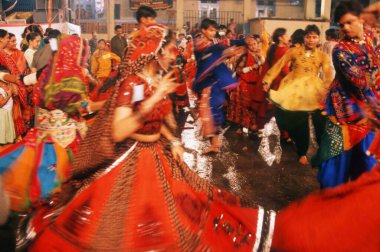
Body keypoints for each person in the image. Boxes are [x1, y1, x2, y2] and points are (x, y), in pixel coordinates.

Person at [28, 23, 260, 251]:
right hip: (132, 160)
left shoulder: (157, 79)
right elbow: (119, 130)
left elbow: (164, 117)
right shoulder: (131, 83)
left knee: (176, 216)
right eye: (169, 50)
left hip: (158, 155)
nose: (175, 54)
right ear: (154, 53)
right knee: (124, 227)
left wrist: (173, 141)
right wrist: (154, 97)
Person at [0, 36, 103, 212]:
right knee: (75, 181)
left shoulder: (47, 72)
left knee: (41, 181)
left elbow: (24, 81)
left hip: (44, 138)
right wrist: (112, 101)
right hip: (67, 139)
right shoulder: (73, 77)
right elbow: (85, 107)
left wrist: (4, 76)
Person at [313, 0, 379, 188]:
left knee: (367, 168)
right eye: (342, 25)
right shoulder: (340, 50)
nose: (346, 28)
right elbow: (362, 83)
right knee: (333, 174)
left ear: (361, 19)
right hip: (343, 114)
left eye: (350, 22)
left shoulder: (370, 38)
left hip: (369, 114)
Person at [262, 25, 334, 165]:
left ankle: (322, 151)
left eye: (314, 37)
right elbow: (279, 64)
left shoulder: (322, 56)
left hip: (315, 89)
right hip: (294, 88)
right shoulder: (293, 51)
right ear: (304, 38)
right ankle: (302, 152)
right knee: (299, 122)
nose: (311, 40)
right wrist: (267, 80)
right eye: (308, 37)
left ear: (319, 39)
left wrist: (327, 88)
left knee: (320, 121)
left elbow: (328, 73)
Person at [193, 18, 245, 154]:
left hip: (216, 81)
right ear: (203, 30)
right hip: (207, 81)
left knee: (215, 109)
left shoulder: (215, 42)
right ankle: (215, 144)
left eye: (215, 30)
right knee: (210, 110)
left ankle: (215, 145)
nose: (213, 33)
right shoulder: (199, 42)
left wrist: (244, 41)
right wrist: (224, 53)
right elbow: (212, 53)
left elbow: (225, 45)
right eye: (211, 30)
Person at [253, 28, 290, 130]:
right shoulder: (285, 50)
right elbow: (284, 69)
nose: (288, 37)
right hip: (280, 82)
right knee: (280, 108)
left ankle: (257, 126)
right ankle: (285, 133)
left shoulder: (273, 48)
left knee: (268, 107)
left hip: (272, 80)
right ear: (280, 38)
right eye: (286, 35)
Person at [227, 36, 264, 134]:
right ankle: (244, 125)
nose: (253, 46)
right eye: (250, 45)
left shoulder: (258, 54)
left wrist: (261, 57)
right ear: (247, 47)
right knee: (244, 106)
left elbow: (263, 64)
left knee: (253, 105)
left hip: (255, 84)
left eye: (255, 44)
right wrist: (251, 67)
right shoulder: (245, 56)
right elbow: (239, 70)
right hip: (244, 84)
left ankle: (251, 125)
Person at [0, 67, 16, 145]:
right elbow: (0, 104)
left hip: (7, 112)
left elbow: (16, 93)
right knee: (2, 129)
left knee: (6, 129)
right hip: (3, 113)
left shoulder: (7, 86)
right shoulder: (0, 90)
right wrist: (9, 95)